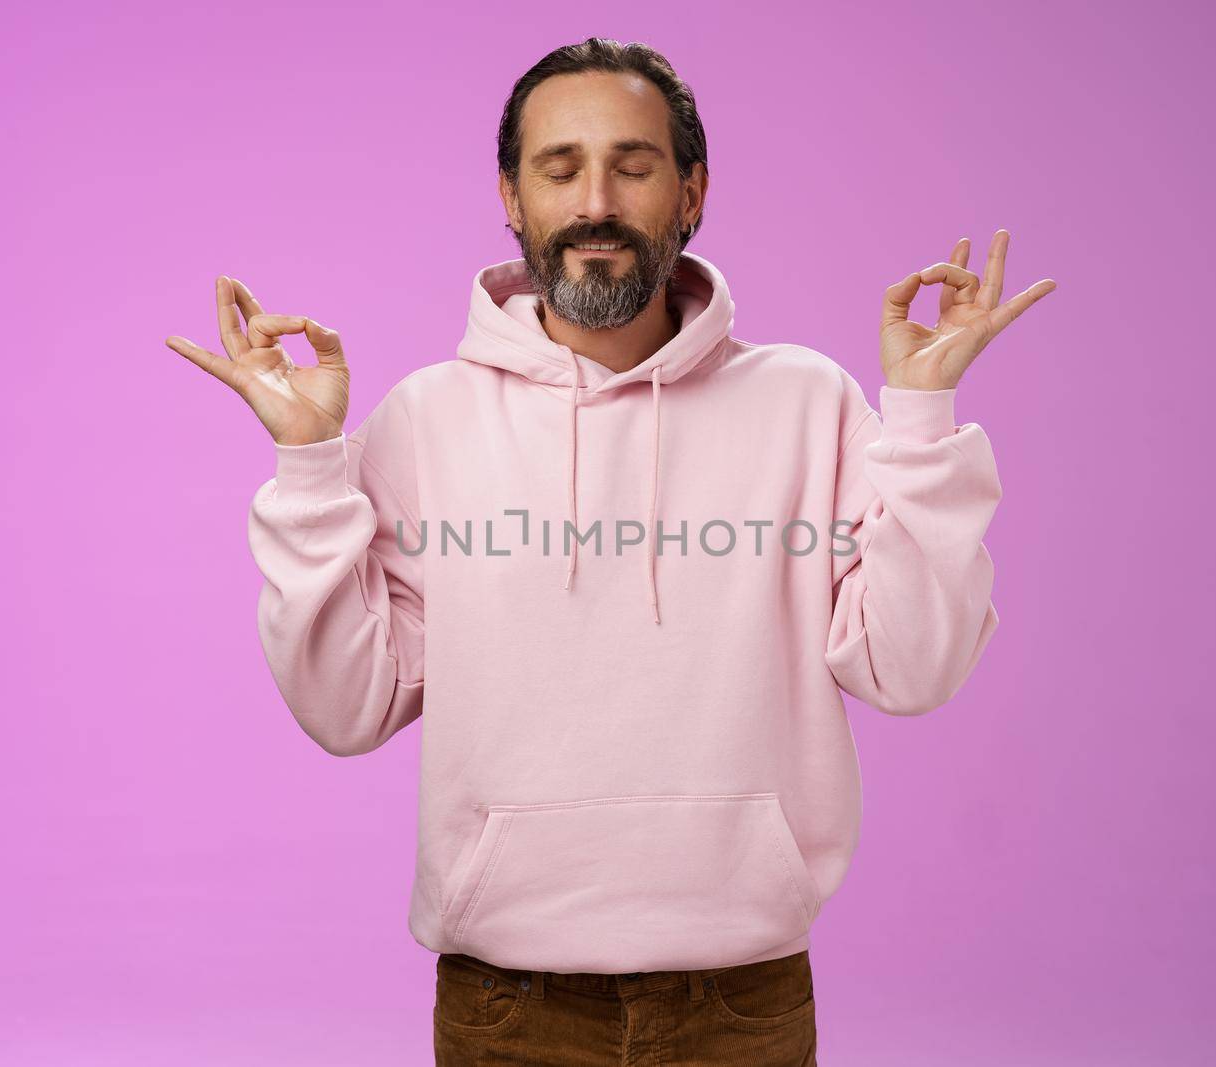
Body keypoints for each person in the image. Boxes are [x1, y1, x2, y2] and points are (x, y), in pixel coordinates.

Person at [165, 35, 1053, 1067]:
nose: (596, 199)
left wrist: (921, 418)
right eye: (559, 166)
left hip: (743, 1000)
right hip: (509, 1005)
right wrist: (312, 463)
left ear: (691, 190)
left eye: (633, 164)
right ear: (511, 195)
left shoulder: (809, 404)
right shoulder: (425, 420)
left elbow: (912, 667)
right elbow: (344, 705)